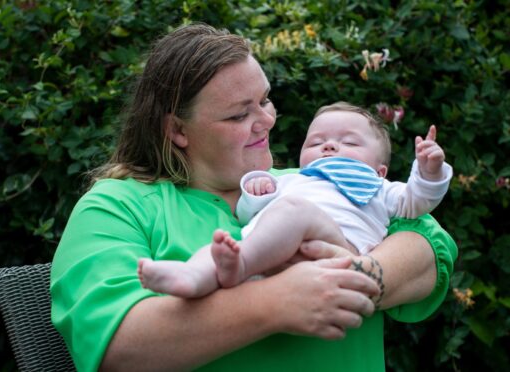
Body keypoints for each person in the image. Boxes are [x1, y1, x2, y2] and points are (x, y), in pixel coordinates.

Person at [50, 23, 457, 372]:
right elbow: (117, 348)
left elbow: (429, 247)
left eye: (263, 100)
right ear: (177, 129)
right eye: (238, 114)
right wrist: (275, 303)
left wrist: (357, 274)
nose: (266, 120)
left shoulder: (305, 181)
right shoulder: (117, 206)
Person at [137, 102, 453, 299]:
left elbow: (418, 202)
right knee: (222, 246)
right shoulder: (291, 179)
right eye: (316, 141)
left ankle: (240, 266)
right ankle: (193, 277)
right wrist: (259, 192)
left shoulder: (381, 188)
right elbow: (247, 215)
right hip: (270, 252)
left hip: (336, 247)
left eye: (349, 142)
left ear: (380, 169)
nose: (330, 146)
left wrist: (429, 172)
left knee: (292, 212)